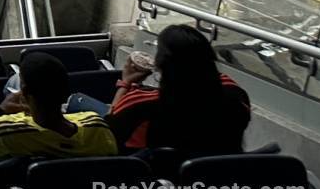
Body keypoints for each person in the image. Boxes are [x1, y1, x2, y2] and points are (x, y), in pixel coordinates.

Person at [106, 24, 251, 154]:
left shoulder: (141, 104)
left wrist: (125, 84)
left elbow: (106, 136)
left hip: (157, 179)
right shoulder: (236, 95)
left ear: (161, 63)